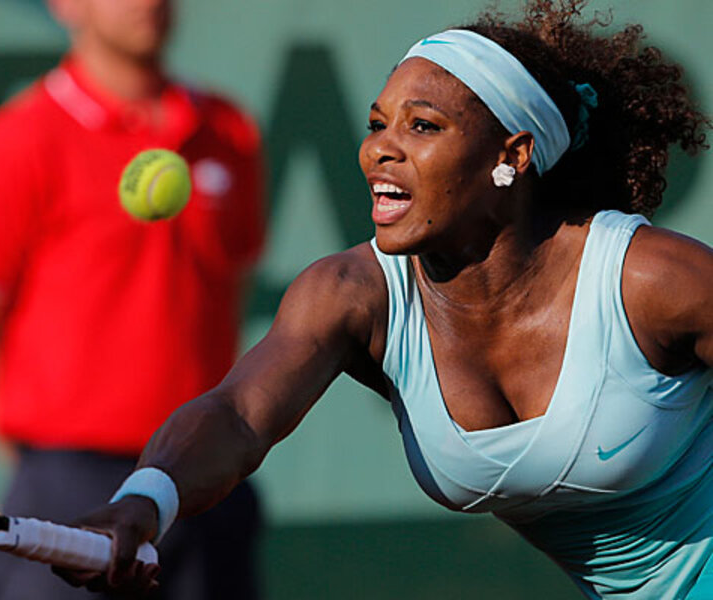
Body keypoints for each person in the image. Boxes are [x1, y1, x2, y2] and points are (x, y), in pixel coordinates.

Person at [51, 0, 713, 598]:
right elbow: (241, 414)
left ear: (510, 156)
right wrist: (145, 499)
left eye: (422, 126)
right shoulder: (352, 296)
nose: (379, 151)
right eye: (377, 123)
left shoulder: (651, 280)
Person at [0, 0, 267, 598]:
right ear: (66, 6)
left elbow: (234, 287)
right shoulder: (17, 138)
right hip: (66, 482)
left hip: (203, 475)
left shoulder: (230, 130)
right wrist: (31, 464)